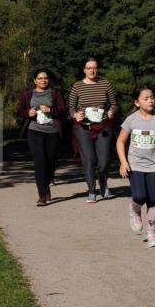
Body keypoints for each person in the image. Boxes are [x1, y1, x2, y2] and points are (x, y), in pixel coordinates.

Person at [116, 85, 155, 248]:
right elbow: (120, 141)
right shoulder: (131, 120)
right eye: (146, 98)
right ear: (137, 102)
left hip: (154, 165)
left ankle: (151, 233)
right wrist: (123, 162)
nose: (150, 100)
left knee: (153, 199)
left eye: (152, 97)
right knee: (140, 196)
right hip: (135, 164)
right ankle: (134, 210)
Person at [67, 57, 118, 203]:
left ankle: (103, 182)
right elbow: (71, 108)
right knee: (89, 159)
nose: (92, 70)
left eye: (94, 67)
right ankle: (91, 190)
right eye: (89, 68)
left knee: (104, 160)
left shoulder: (105, 83)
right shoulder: (77, 86)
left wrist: (112, 111)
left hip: (103, 126)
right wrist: (75, 115)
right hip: (83, 127)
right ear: (84, 70)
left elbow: (114, 104)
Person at [17, 68, 67, 206]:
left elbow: (63, 110)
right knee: (40, 163)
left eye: (45, 78)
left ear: (49, 80)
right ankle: (42, 195)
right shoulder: (28, 94)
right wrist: (28, 113)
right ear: (35, 80)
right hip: (34, 131)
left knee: (50, 163)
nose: (43, 80)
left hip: (52, 132)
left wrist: (50, 110)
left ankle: (47, 183)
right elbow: (19, 111)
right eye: (40, 78)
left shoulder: (55, 93)